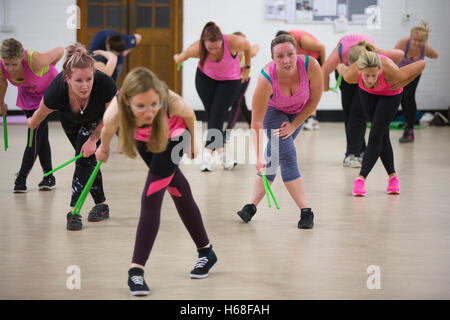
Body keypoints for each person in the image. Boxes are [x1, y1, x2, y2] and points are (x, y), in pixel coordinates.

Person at [95, 67, 217, 296]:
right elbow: (108, 131)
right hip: (145, 139)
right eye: (140, 106)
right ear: (128, 103)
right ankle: (206, 252)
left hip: (176, 137)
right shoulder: (114, 112)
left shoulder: (171, 101)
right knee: (177, 188)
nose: (149, 111)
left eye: (154, 104)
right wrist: (103, 150)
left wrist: (192, 144)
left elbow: (190, 116)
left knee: (151, 196)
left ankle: (136, 270)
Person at [27, 43, 117, 230]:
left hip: (98, 120)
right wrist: (32, 123)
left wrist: (93, 139)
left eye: (89, 79)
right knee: (87, 157)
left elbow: (114, 117)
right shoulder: (56, 90)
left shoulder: (104, 83)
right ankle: (101, 204)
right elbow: (40, 113)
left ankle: (73, 212)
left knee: (84, 159)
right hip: (69, 120)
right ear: (67, 78)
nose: (85, 86)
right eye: (78, 81)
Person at [236, 34, 323, 229]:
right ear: (273, 58)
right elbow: (256, 122)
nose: (286, 60)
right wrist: (258, 156)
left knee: (274, 157)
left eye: (290, 54)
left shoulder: (311, 66)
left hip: (298, 114)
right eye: (280, 56)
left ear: (297, 53)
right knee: (287, 155)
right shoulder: (266, 79)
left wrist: (295, 124)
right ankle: (306, 211)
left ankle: (250, 207)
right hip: (273, 114)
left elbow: (314, 100)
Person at [337, 42, 425, 196]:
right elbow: (342, 70)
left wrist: (403, 82)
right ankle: (393, 178)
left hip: (391, 95)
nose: (370, 79)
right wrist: (340, 67)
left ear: (379, 70)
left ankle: (360, 179)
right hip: (368, 95)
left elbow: (422, 63)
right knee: (382, 135)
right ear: (360, 71)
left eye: (373, 75)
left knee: (375, 135)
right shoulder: (353, 75)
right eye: (366, 75)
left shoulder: (391, 71)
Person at [174, 21, 253, 172]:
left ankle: (208, 155)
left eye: (217, 47)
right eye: (210, 48)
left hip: (230, 81)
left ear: (222, 41)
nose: (214, 51)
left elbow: (248, 46)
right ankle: (223, 157)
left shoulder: (234, 42)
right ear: (204, 43)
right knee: (213, 114)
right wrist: (178, 59)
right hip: (205, 79)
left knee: (216, 113)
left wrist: (247, 67)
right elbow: (182, 56)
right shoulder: (197, 48)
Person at [322, 34, 405, 168]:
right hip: (345, 72)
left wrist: (389, 72)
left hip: (368, 73)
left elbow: (400, 54)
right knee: (349, 112)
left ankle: (353, 153)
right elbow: (325, 69)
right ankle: (358, 150)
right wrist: (325, 88)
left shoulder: (372, 53)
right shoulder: (341, 55)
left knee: (357, 111)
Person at [0, 38, 63, 193]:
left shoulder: (35, 59)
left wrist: (49, 67)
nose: (10, 69)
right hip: (28, 96)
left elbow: (60, 50)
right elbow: (2, 83)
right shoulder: (2, 66)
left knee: (33, 135)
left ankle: (21, 179)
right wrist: (1, 103)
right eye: (7, 64)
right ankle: (49, 176)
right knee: (40, 137)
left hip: (47, 93)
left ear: (21, 58)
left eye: (14, 64)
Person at [395, 20, 438, 143]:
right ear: (411, 37)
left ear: (424, 41)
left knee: (409, 97)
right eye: (415, 40)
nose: (417, 43)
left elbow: (435, 55)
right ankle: (407, 127)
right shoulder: (404, 43)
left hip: (414, 75)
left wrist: (428, 54)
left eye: (420, 41)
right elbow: (391, 57)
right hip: (400, 73)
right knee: (402, 98)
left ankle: (409, 130)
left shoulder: (425, 48)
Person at [276, 30, 326, 130]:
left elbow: (322, 47)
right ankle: (304, 117)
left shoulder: (302, 40)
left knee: (311, 93)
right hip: (304, 62)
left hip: (315, 62)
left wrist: (323, 69)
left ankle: (312, 119)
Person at [225, 31, 260, 132]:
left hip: (244, 79)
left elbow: (257, 46)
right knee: (241, 103)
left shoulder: (248, 52)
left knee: (236, 102)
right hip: (232, 80)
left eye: (241, 41)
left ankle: (227, 132)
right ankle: (252, 123)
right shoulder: (227, 53)